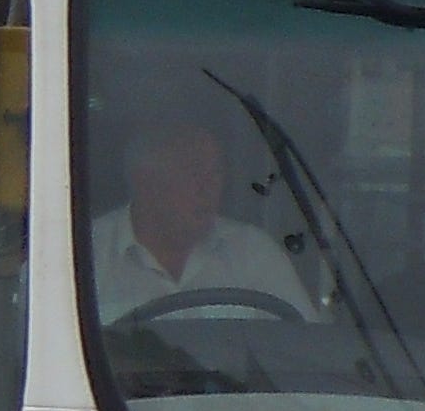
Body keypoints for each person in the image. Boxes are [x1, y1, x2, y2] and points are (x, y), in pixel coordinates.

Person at [88, 116, 319, 322]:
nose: (208, 188)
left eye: (215, 172)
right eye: (193, 172)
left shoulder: (255, 253)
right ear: (145, 183)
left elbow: (307, 346)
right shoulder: (85, 256)